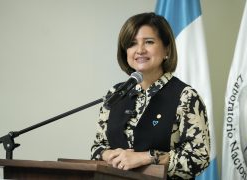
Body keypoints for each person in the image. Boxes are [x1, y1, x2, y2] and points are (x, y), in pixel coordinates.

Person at [90, 12, 210, 179]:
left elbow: (199, 157)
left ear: (166, 49)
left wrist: (146, 157)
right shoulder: (115, 94)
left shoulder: (185, 96)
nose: (140, 50)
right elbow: (98, 147)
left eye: (149, 42)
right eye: (132, 44)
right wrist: (108, 154)